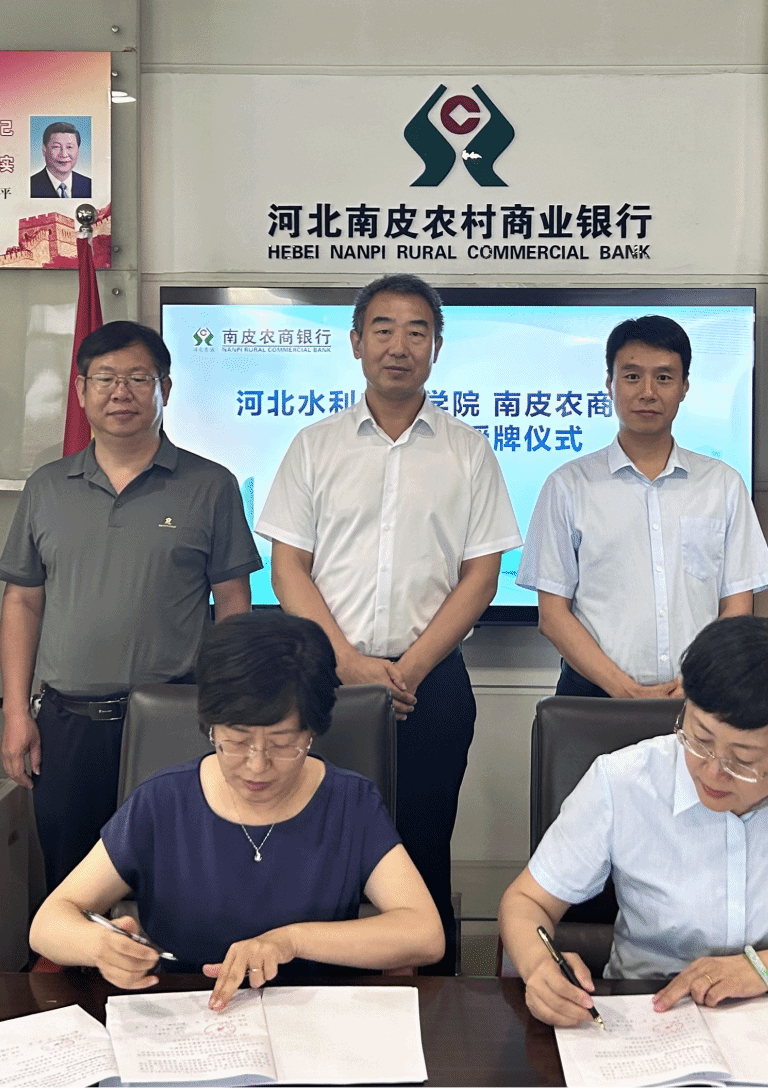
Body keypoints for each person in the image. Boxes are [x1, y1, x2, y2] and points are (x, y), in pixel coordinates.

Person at [257, 272, 522, 974]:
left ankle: (429, 996)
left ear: (437, 347)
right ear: (355, 342)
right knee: (317, 839)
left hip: (431, 685)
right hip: (324, 682)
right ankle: (316, 977)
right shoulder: (315, 445)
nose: (398, 346)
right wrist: (347, 662)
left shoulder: (468, 450)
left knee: (422, 843)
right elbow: (288, 569)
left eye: (416, 331)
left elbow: (482, 576)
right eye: (383, 329)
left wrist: (407, 670)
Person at [500, 616, 768, 1027]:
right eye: (700, 738)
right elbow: (526, 901)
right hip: (648, 1016)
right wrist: (539, 966)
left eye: (743, 759)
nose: (712, 771)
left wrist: (765, 968)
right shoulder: (623, 781)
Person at [29, 611, 444, 1008]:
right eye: (237, 740)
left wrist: (291, 941)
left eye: (282, 744)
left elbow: (425, 934)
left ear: (312, 732)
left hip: (314, 1023)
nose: (257, 765)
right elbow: (49, 922)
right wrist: (100, 946)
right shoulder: (162, 802)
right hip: (189, 1021)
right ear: (210, 726)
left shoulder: (350, 803)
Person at [0, 320, 261, 890]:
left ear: (165, 388)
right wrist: (17, 713)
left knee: (178, 878)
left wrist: (228, 706)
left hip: (175, 718)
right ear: (80, 390)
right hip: (67, 725)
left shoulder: (210, 485)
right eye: (106, 378)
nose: (122, 392)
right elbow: (22, 602)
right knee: (73, 883)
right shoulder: (47, 487)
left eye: (139, 378)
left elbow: (233, 603)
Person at [518, 315, 768, 698]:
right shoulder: (567, 485)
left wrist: (699, 679)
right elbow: (553, 615)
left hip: (700, 696)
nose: (648, 392)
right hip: (594, 698)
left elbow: (738, 604)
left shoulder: (723, 484)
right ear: (610, 383)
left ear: (685, 386)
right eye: (632, 376)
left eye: (664, 377)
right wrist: (624, 689)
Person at [29, 120, 92, 198]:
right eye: (56, 147)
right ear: (44, 149)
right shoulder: (29, 186)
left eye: (69, 147)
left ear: (78, 151)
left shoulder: (89, 185)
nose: (64, 154)